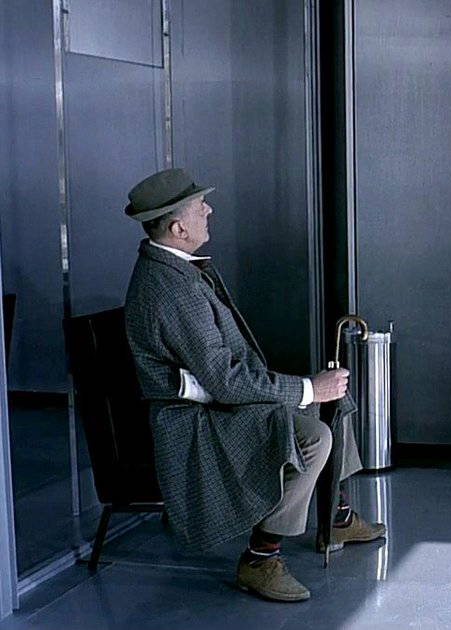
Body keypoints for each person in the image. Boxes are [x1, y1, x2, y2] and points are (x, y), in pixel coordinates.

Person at [123, 169, 384, 602]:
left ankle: (335, 517)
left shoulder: (173, 269)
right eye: (199, 206)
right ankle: (260, 559)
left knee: (333, 401)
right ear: (178, 228)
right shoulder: (171, 289)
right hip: (196, 421)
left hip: (215, 400)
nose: (209, 210)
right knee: (314, 436)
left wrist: (311, 392)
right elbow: (225, 382)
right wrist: (307, 389)